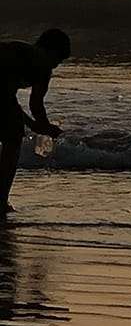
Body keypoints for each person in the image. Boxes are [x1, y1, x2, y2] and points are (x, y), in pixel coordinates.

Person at [0, 29, 71, 219]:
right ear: (51, 50)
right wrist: (44, 126)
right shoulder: (41, 63)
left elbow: (9, 100)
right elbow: (35, 104)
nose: (56, 65)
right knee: (13, 139)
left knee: (13, 130)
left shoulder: (23, 52)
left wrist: (36, 126)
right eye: (59, 59)